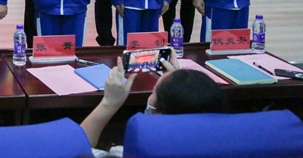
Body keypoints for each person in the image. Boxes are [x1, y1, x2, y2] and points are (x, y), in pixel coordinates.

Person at [81, 51, 227, 156]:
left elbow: (76, 148)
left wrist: (108, 103)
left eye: (154, 91)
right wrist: (177, 81)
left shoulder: (124, 153)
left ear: (158, 111)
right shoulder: (225, 146)